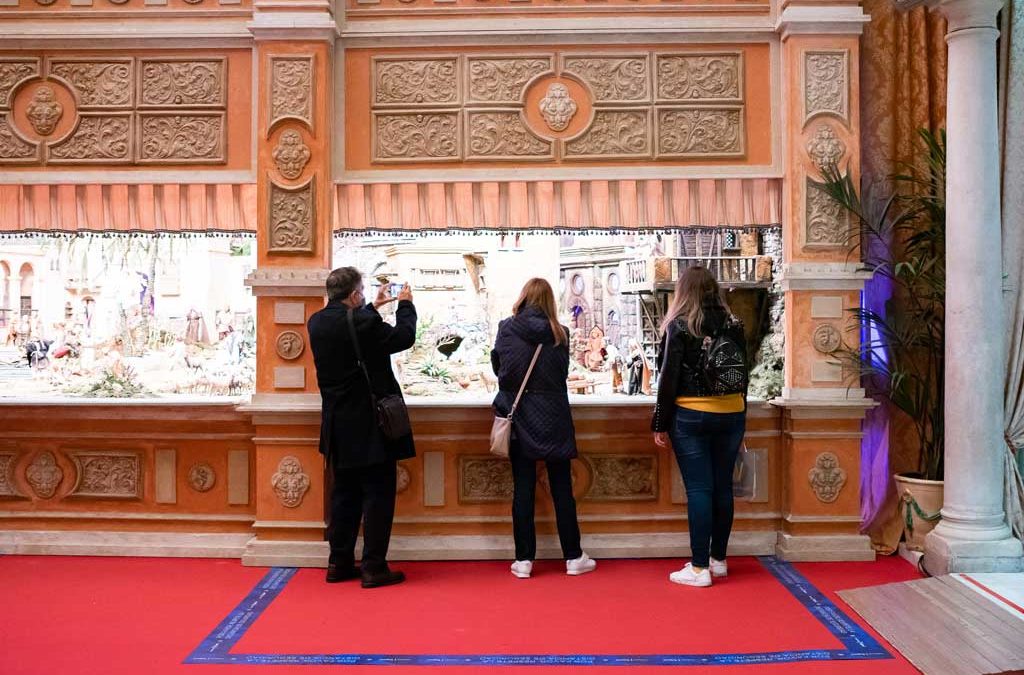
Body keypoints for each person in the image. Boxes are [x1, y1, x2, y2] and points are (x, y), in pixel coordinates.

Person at [308, 267, 417, 589]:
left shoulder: (316, 322)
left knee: (343, 495)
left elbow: (351, 327)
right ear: (355, 294)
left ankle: (338, 562)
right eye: (363, 292)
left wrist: (374, 308)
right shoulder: (362, 322)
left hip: (336, 424)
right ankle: (373, 566)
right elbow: (403, 338)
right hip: (370, 425)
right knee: (377, 495)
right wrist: (406, 305)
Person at [491, 278, 596, 579]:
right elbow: (560, 374)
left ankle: (524, 560)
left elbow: (500, 370)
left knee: (522, 488)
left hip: (519, 416)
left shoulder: (505, 328)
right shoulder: (559, 333)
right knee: (562, 488)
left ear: (523, 298)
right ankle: (573, 556)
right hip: (553, 417)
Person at [651, 266, 747, 588]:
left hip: (691, 416)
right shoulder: (734, 324)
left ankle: (698, 567)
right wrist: (739, 413)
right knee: (723, 487)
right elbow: (742, 374)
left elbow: (668, 380)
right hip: (732, 413)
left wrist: (660, 423)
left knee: (699, 489)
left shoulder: (680, 326)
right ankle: (718, 560)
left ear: (683, 291)